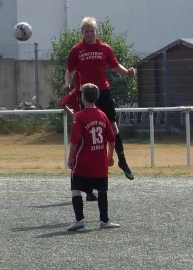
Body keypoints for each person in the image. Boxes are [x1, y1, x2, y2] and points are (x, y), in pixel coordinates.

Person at [64, 17, 136, 200]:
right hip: (85, 94)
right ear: (82, 33)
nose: (89, 34)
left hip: (102, 92)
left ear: (96, 32)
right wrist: (68, 84)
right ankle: (87, 187)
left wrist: (127, 72)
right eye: (86, 31)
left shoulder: (104, 48)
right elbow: (70, 71)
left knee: (112, 127)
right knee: (85, 136)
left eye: (92, 31)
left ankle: (122, 160)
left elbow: (114, 66)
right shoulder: (76, 50)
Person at [67, 83, 119, 231]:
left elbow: (75, 140)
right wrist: (109, 157)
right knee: (102, 190)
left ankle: (79, 220)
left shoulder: (79, 116)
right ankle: (104, 220)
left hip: (83, 162)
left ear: (83, 98)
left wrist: (70, 158)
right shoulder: (102, 115)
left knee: (76, 189)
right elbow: (112, 138)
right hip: (100, 162)